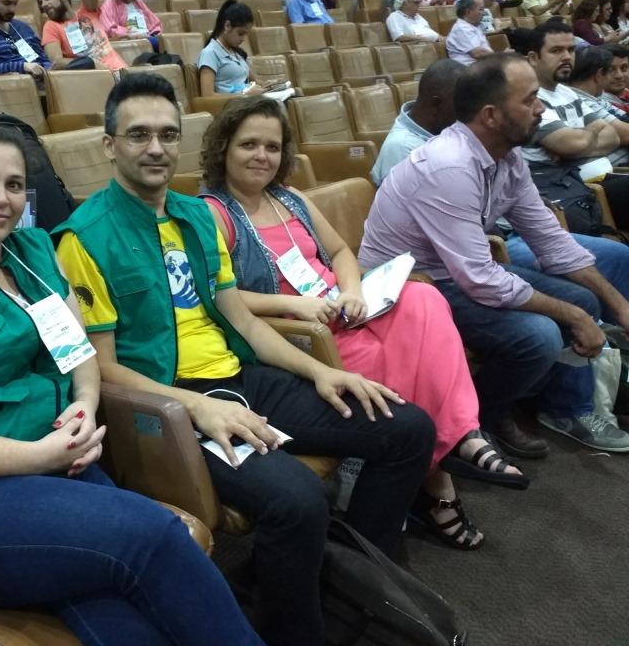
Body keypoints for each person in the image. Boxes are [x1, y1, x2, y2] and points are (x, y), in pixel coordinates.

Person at [0, 119, 264, 646]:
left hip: (58, 466)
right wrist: (38, 456)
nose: (1, 198)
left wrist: (85, 402)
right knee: (155, 537)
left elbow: (77, 350)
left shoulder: (35, 254)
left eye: (15, 185)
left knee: (121, 611)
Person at [54, 73, 435, 646]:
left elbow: (243, 320)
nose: (155, 148)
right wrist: (196, 408)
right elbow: (101, 367)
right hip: (169, 401)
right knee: (298, 499)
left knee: (406, 429)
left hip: (237, 375)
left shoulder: (195, 216)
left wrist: (323, 371)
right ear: (110, 145)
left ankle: (346, 580)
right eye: (138, 135)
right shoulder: (83, 238)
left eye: (167, 134)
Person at [199, 96, 527, 550]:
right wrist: (294, 304)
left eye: (272, 147)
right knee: (396, 359)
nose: (262, 156)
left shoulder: (289, 198)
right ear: (224, 149)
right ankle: (443, 474)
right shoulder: (212, 213)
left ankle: (458, 438)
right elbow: (218, 296)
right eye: (248, 145)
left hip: (343, 308)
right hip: (299, 331)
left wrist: (351, 291)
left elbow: (339, 253)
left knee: (424, 297)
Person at [359, 54, 629, 455]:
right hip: (410, 287)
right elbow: (481, 280)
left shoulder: (508, 158)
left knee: (584, 299)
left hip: (453, 273)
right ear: (491, 115)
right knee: (540, 335)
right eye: (530, 99)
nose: (541, 109)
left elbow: (551, 241)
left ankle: (549, 403)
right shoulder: (449, 167)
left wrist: (619, 305)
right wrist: (574, 317)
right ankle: (479, 418)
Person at [519, 21, 629, 225]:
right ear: (533, 58)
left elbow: (612, 137)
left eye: (571, 50)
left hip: (594, 178)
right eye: (556, 50)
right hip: (568, 190)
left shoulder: (566, 92)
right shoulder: (530, 97)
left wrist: (575, 141)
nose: (567, 57)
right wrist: (591, 132)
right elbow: (572, 144)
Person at [370, 58, 465, 185]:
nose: (467, 112)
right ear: (436, 105)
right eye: (460, 105)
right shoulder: (402, 149)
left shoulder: (443, 131)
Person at [37, 0, 126, 72]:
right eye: (41, 2)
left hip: (123, 72)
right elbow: (56, 63)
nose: (43, 5)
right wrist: (91, 63)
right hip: (101, 76)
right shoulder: (51, 26)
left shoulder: (88, 10)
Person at [198, 0, 262, 96]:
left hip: (247, 101)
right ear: (227, 26)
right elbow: (207, 96)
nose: (244, 39)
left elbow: (255, 83)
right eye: (240, 33)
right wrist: (244, 95)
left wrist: (270, 86)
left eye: (246, 34)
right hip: (233, 104)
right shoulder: (209, 53)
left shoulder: (237, 53)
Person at [99, 0, 163, 49]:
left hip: (146, 39)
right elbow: (110, 30)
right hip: (127, 43)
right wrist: (130, 34)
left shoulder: (138, 2)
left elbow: (155, 23)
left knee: (162, 42)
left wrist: (153, 34)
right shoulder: (110, 3)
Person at [446, 0, 493, 66]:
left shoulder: (474, 26)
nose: (484, 13)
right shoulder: (461, 28)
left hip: (481, 66)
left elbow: (486, 48)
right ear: (468, 12)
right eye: (481, 9)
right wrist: (500, 56)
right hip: (468, 69)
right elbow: (478, 54)